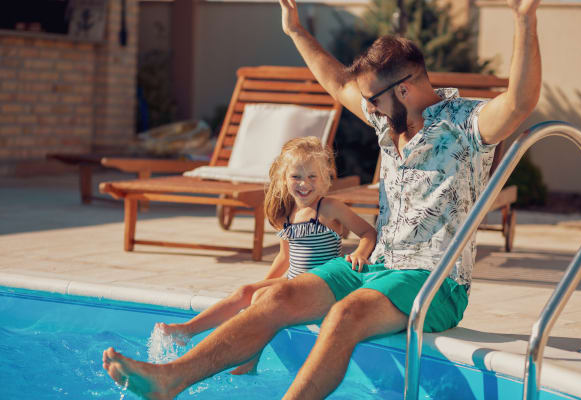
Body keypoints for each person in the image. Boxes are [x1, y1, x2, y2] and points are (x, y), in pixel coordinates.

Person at [103, 0, 542, 398]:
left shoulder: (467, 123)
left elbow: (520, 102)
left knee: (345, 316)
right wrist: (296, 31)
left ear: (404, 90)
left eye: (372, 98)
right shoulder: (389, 120)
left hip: (434, 281)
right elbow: (337, 84)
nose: (365, 107)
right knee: (271, 298)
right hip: (375, 266)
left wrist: (524, 19)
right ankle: (170, 378)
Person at [155, 136, 377, 375]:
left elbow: (368, 232)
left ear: (324, 178)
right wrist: (262, 285)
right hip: (293, 280)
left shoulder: (329, 208)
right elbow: (284, 258)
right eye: (296, 176)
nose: (304, 183)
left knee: (261, 297)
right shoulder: (287, 213)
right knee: (246, 292)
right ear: (284, 178)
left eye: (312, 176)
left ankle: (250, 358)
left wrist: (360, 254)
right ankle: (187, 330)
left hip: (320, 284)